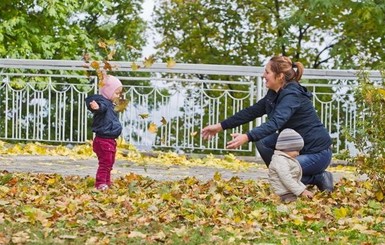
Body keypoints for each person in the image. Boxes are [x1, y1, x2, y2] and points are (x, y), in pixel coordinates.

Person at [201, 55, 334, 192]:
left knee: (279, 172)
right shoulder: (274, 93)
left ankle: (317, 177)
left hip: (317, 153)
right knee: (263, 142)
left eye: (267, 72)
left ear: (280, 76)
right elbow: (252, 112)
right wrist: (220, 126)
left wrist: (247, 136)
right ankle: (303, 176)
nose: (263, 75)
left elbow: (275, 122)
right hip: (298, 147)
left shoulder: (292, 95)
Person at [85, 75, 123, 191]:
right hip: (103, 140)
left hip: (109, 140)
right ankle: (100, 183)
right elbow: (100, 107)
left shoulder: (110, 104)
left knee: (109, 162)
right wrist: (96, 107)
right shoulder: (104, 102)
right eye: (116, 93)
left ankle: (106, 181)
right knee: (105, 163)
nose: (118, 96)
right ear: (108, 91)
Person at [269, 128, 314, 202]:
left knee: (304, 199)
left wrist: (302, 189)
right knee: (293, 203)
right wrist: (301, 191)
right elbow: (287, 179)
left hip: (289, 190)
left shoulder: (287, 158)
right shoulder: (280, 160)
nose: (298, 154)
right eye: (296, 150)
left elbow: (295, 178)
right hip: (282, 192)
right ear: (286, 148)